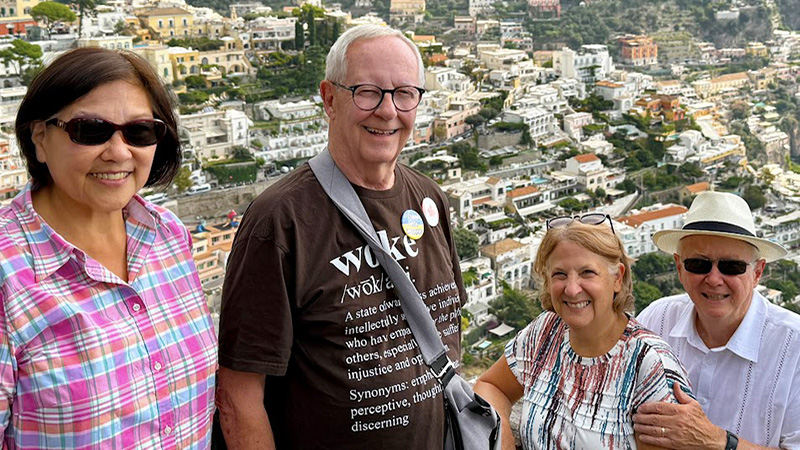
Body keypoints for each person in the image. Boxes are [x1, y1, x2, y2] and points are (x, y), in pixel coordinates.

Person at [216, 25, 465, 449]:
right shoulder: (280, 221)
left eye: (405, 93)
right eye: (367, 91)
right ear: (329, 99)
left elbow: (447, 327)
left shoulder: (430, 199)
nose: (388, 111)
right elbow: (239, 395)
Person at [0, 47, 218, 448]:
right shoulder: (8, 276)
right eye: (89, 130)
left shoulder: (168, 237)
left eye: (139, 132)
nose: (119, 152)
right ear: (40, 138)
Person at [474, 215, 692, 450]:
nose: (572, 288)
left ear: (617, 278)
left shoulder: (647, 365)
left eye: (587, 272)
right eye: (560, 274)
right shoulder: (546, 332)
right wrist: (502, 431)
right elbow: (491, 386)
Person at [633, 191, 800, 450]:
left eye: (731, 266)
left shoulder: (794, 346)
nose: (713, 279)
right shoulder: (656, 321)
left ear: (757, 272)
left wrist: (716, 441)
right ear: (679, 267)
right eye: (698, 264)